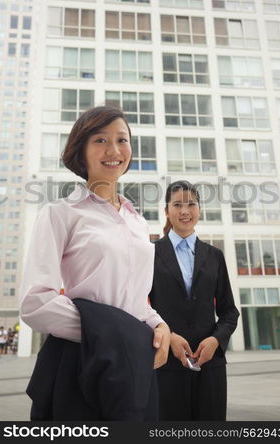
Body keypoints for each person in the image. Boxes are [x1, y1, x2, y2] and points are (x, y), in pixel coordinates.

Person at [19, 105, 170, 419]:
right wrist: (110, 334)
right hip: (80, 360)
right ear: (81, 151)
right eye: (100, 140)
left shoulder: (138, 221)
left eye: (122, 140)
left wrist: (158, 323)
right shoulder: (61, 213)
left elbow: (135, 298)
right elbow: (35, 303)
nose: (114, 150)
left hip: (133, 362)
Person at [149, 180, 239, 421]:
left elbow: (230, 312)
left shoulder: (215, 256)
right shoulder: (149, 253)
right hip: (165, 366)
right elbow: (138, 309)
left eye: (191, 204)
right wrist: (169, 338)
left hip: (210, 368)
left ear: (199, 209)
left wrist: (216, 340)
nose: (185, 211)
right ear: (166, 211)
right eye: (177, 205)